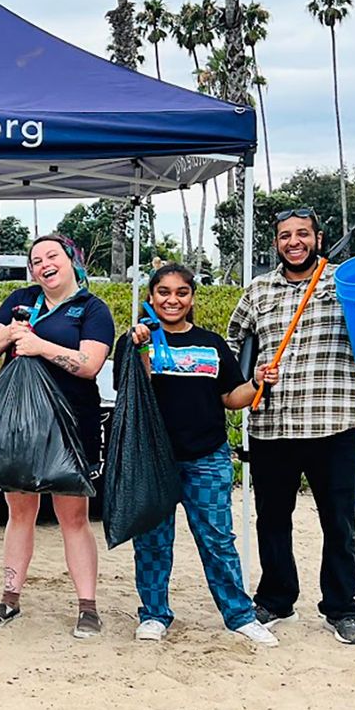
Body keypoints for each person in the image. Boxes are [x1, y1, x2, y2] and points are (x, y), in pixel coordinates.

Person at [227, 209, 355, 645]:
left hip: (335, 423)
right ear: (276, 243)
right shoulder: (258, 291)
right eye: (285, 235)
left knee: (339, 524)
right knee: (272, 520)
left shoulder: (344, 282)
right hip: (273, 426)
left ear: (318, 238)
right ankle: (276, 598)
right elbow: (231, 346)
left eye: (302, 234)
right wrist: (248, 379)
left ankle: (342, 608)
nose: (294, 242)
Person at [116, 264, 280, 647]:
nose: (172, 300)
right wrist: (139, 344)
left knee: (218, 539)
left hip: (207, 457)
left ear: (192, 298)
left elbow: (231, 398)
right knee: (153, 542)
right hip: (153, 459)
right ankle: (154, 614)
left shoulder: (212, 342)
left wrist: (256, 382)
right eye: (164, 292)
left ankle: (239, 615)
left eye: (181, 292)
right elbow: (134, 388)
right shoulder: (135, 340)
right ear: (151, 297)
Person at [0, 234, 114, 639]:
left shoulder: (92, 308)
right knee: (19, 513)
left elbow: (90, 365)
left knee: (73, 518)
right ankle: (9, 598)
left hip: (71, 425)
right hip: (20, 427)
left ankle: (87, 607)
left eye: (52, 256)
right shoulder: (20, 299)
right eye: (36, 261)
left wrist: (39, 345)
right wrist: (10, 335)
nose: (43, 265)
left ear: (71, 260)